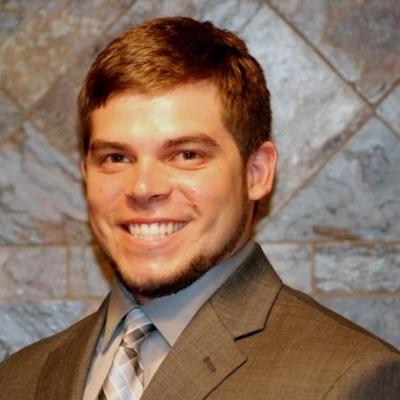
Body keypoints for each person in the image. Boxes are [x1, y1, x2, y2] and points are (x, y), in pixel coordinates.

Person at [0, 16, 399, 400]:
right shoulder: (16, 378)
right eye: (116, 158)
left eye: (186, 154)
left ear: (257, 172)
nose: (143, 188)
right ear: (86, 174)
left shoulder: (351, 380)